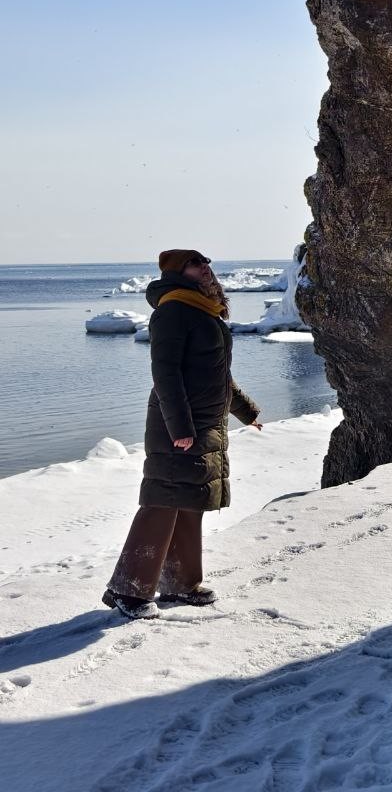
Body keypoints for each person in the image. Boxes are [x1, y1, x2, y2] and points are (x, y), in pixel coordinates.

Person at [102, 249, 262, 619]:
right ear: (177, 272)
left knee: (191, 501)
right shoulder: (173, 311)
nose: (204, 268)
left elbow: (218, 376)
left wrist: (247, 412)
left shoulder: (205, 311)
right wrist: (180, 427)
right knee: (163, 500)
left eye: (206, 262)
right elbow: (166, 375)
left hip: (205, 423)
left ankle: (180, 585)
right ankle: (127, 590)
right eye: (195, 263)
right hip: (178, 424)